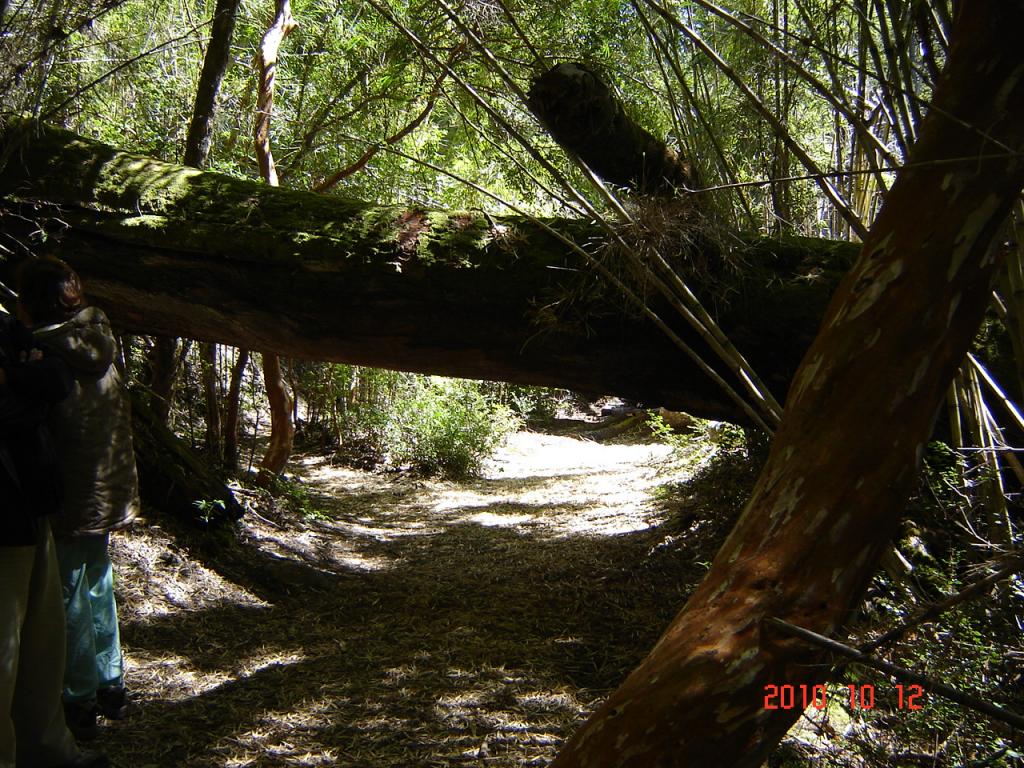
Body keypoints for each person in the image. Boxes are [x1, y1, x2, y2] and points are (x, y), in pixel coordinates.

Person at [16, 259, 140, 742]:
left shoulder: (45, 352)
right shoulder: (98, 336)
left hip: (70, 491)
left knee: (69, 593)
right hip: (106, 488)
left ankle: (79, 698)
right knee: (97, 581)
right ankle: (111, 686)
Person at [0, 303, 109, 768]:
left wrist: (16, 378)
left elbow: (56, 382)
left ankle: (47, 750)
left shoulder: (8, 324)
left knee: (41, 643)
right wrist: (23, 379)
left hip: (30, 497)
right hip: (5, 509)